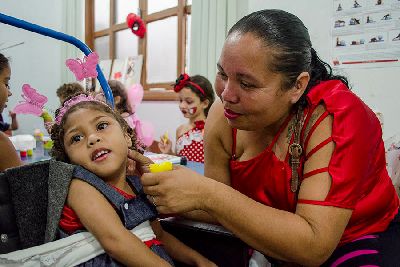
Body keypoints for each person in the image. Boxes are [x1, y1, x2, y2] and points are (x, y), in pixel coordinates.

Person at [137, 9, 400, 266]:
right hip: (273, 239)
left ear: (297, 85)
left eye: (247, 84)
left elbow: (313, 246)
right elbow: (218, 210)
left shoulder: (336, 118)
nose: (227, 94)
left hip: (354, 239)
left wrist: (207, 194)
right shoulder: (223, 115)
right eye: (222, 74)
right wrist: (151, 190)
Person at [50, 93, 215, 266]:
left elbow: (158, 236)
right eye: (76, 138)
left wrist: (199, 261)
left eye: (102, 126)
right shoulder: (80, 187)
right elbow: (115, 241)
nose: (92, 138)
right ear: (68, 158)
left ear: (127, 137)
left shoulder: (136, 185)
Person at [158, 74, 215, 163]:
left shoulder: (211, 128)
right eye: (180, 100)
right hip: (183, 176)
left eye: (189, 102)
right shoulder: (180, 130)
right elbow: (180, 160)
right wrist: (169, 152)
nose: (182, 105)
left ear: (205, 103)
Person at [0, 53, 21, 172]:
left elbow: (14, 127)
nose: (9, 93)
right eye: (6, 84)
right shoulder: (1, 142)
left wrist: (13, 118)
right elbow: (24, 186)